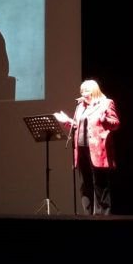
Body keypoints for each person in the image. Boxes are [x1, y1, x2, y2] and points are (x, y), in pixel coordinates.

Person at [54, 80, 120, 215]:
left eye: (86, 91)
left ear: (94, 91)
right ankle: (87, 216)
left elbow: (116, 123)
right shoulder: (80, 106)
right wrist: (67, 121)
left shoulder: (106, 103)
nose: (83, 94)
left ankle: (102, 217)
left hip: (98, 150)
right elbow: (78, 126)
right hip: (81, 149)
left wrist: (105, 120)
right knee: (86, 186)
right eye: (82, 91)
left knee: (100, 186)